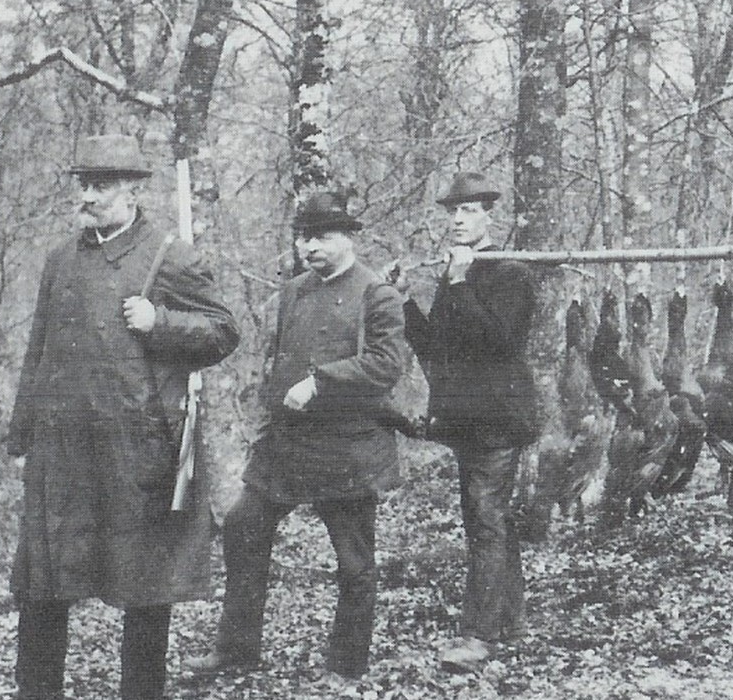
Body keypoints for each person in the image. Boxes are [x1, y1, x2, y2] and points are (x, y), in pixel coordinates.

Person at [6, 134, 240, 700]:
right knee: (45, 585)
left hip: (136, 453)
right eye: (84, 184)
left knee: (143, 589)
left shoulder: (170, 255)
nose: (88, 196)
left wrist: (160, 321)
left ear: (133, 190)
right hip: (62, 455)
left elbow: (223, 331)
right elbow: (39, 346)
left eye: (102, 185)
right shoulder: (61, 259)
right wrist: (23, 433)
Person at [185, 192, 405, 688]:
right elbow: (276, 366)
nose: (311, 246)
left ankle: (347, 665)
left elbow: (388, 365)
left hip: (348, 445)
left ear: (349, 237)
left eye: (322, 236)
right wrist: (266, 423)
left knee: (353, 561)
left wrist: (321, 381)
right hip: (287, 447)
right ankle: (237, 649)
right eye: (304, 236)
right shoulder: (293, 292)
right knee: (243, 527)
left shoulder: (377, 294)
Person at [403, 172, 538, 672]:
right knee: (490, 522)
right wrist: (404, 302)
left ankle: (479, 638)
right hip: (467, 423)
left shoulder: (511, 273)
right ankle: (512, 622)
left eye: (468, 211)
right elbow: (438, 349)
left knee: (485, 524)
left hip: (498, 421)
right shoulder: (457, 272)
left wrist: (460, 282)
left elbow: (499, 344)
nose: (457, 220)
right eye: (452, 212)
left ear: (488, 216)